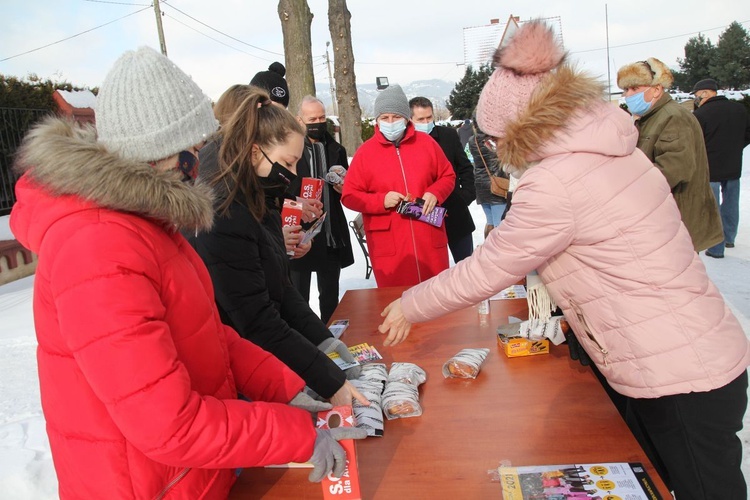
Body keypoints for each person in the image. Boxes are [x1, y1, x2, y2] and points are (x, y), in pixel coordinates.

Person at [377, 21, 750, 500]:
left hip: (676, 373)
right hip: (688, 350)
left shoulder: (555, 179)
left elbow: (491, 266)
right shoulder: (611, 147)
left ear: (521, 130)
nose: (493, 150)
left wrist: (412, 304)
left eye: (494, 139)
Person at [9, 47, 366, 498]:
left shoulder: (148, 223)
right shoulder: (96, 248)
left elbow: (213, 336)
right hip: (145, 485)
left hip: (193, 474)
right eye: (195, 147)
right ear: (160, 153)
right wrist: (294, 433)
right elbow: (168, 424)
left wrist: (289, 389)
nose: (203, 157)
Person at [190, 86, 367, 408]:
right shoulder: (224, 212)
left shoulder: (259, 197)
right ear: (256, 152)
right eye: (289, 162)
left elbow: (281, 290)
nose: (294, 174)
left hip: (263, 361)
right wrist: (327, 378)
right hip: (238, 376)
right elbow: (256, 320)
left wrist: (322, 339)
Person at [341, 84, 456, 287]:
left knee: (436, 299)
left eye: (396, 117)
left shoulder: (427, 144)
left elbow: (448, 175)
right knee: (395, 301)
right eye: (385, 118)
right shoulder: (365, 153)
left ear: (406, 118)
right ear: (377, 120)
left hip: (427, 236)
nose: (391, 122)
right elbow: (349, 195)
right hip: (390, 245)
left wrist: (435, 193)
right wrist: (380, 201)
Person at [617, 57, 722, 252]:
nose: (628, 95)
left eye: (634, 88)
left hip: (679, 217)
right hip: (665, 217)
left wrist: (628, 188)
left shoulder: (673, 117)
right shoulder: (650, 118)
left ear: (657, 89)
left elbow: (674, 169)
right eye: (625, 90)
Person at [288, 96, 355, 323]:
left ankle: (332, 340)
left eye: (322, 117)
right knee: (298, 298)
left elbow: (347, 187)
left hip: (329, 234)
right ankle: (305, 342)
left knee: (330, 297)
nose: (318, 122)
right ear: (299, 120)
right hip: (300, 235)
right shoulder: (290, 150)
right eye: (312, 118)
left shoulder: (336, 148)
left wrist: (343, 185)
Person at [410, 96, 476, 262]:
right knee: (433, 272)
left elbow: (465, 167)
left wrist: (465, 196)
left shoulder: (448, 135)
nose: (426, 122)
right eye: (420, 119)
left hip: (455, 212)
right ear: (410, 119)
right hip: (423, 216)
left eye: (429, 117)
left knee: (466, 267)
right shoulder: (405, 143)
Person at [691, 78, 750, 258]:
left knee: (712, 208)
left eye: (697, 96)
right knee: (731, 203)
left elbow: (695, 141)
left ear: (705, 93)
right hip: (733, 165)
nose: (696, 100)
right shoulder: (739, 109)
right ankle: (729, 238)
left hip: (711, 169)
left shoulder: (701, 115)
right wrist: (735, 147)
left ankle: (716, 248)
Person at [467, 120, 508, 237]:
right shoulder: (492, 139)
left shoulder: (472, 140)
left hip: (480, 184)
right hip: (496, 183)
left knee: (490, 222)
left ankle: (488, 246)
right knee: (499, 224)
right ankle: (498, 251)